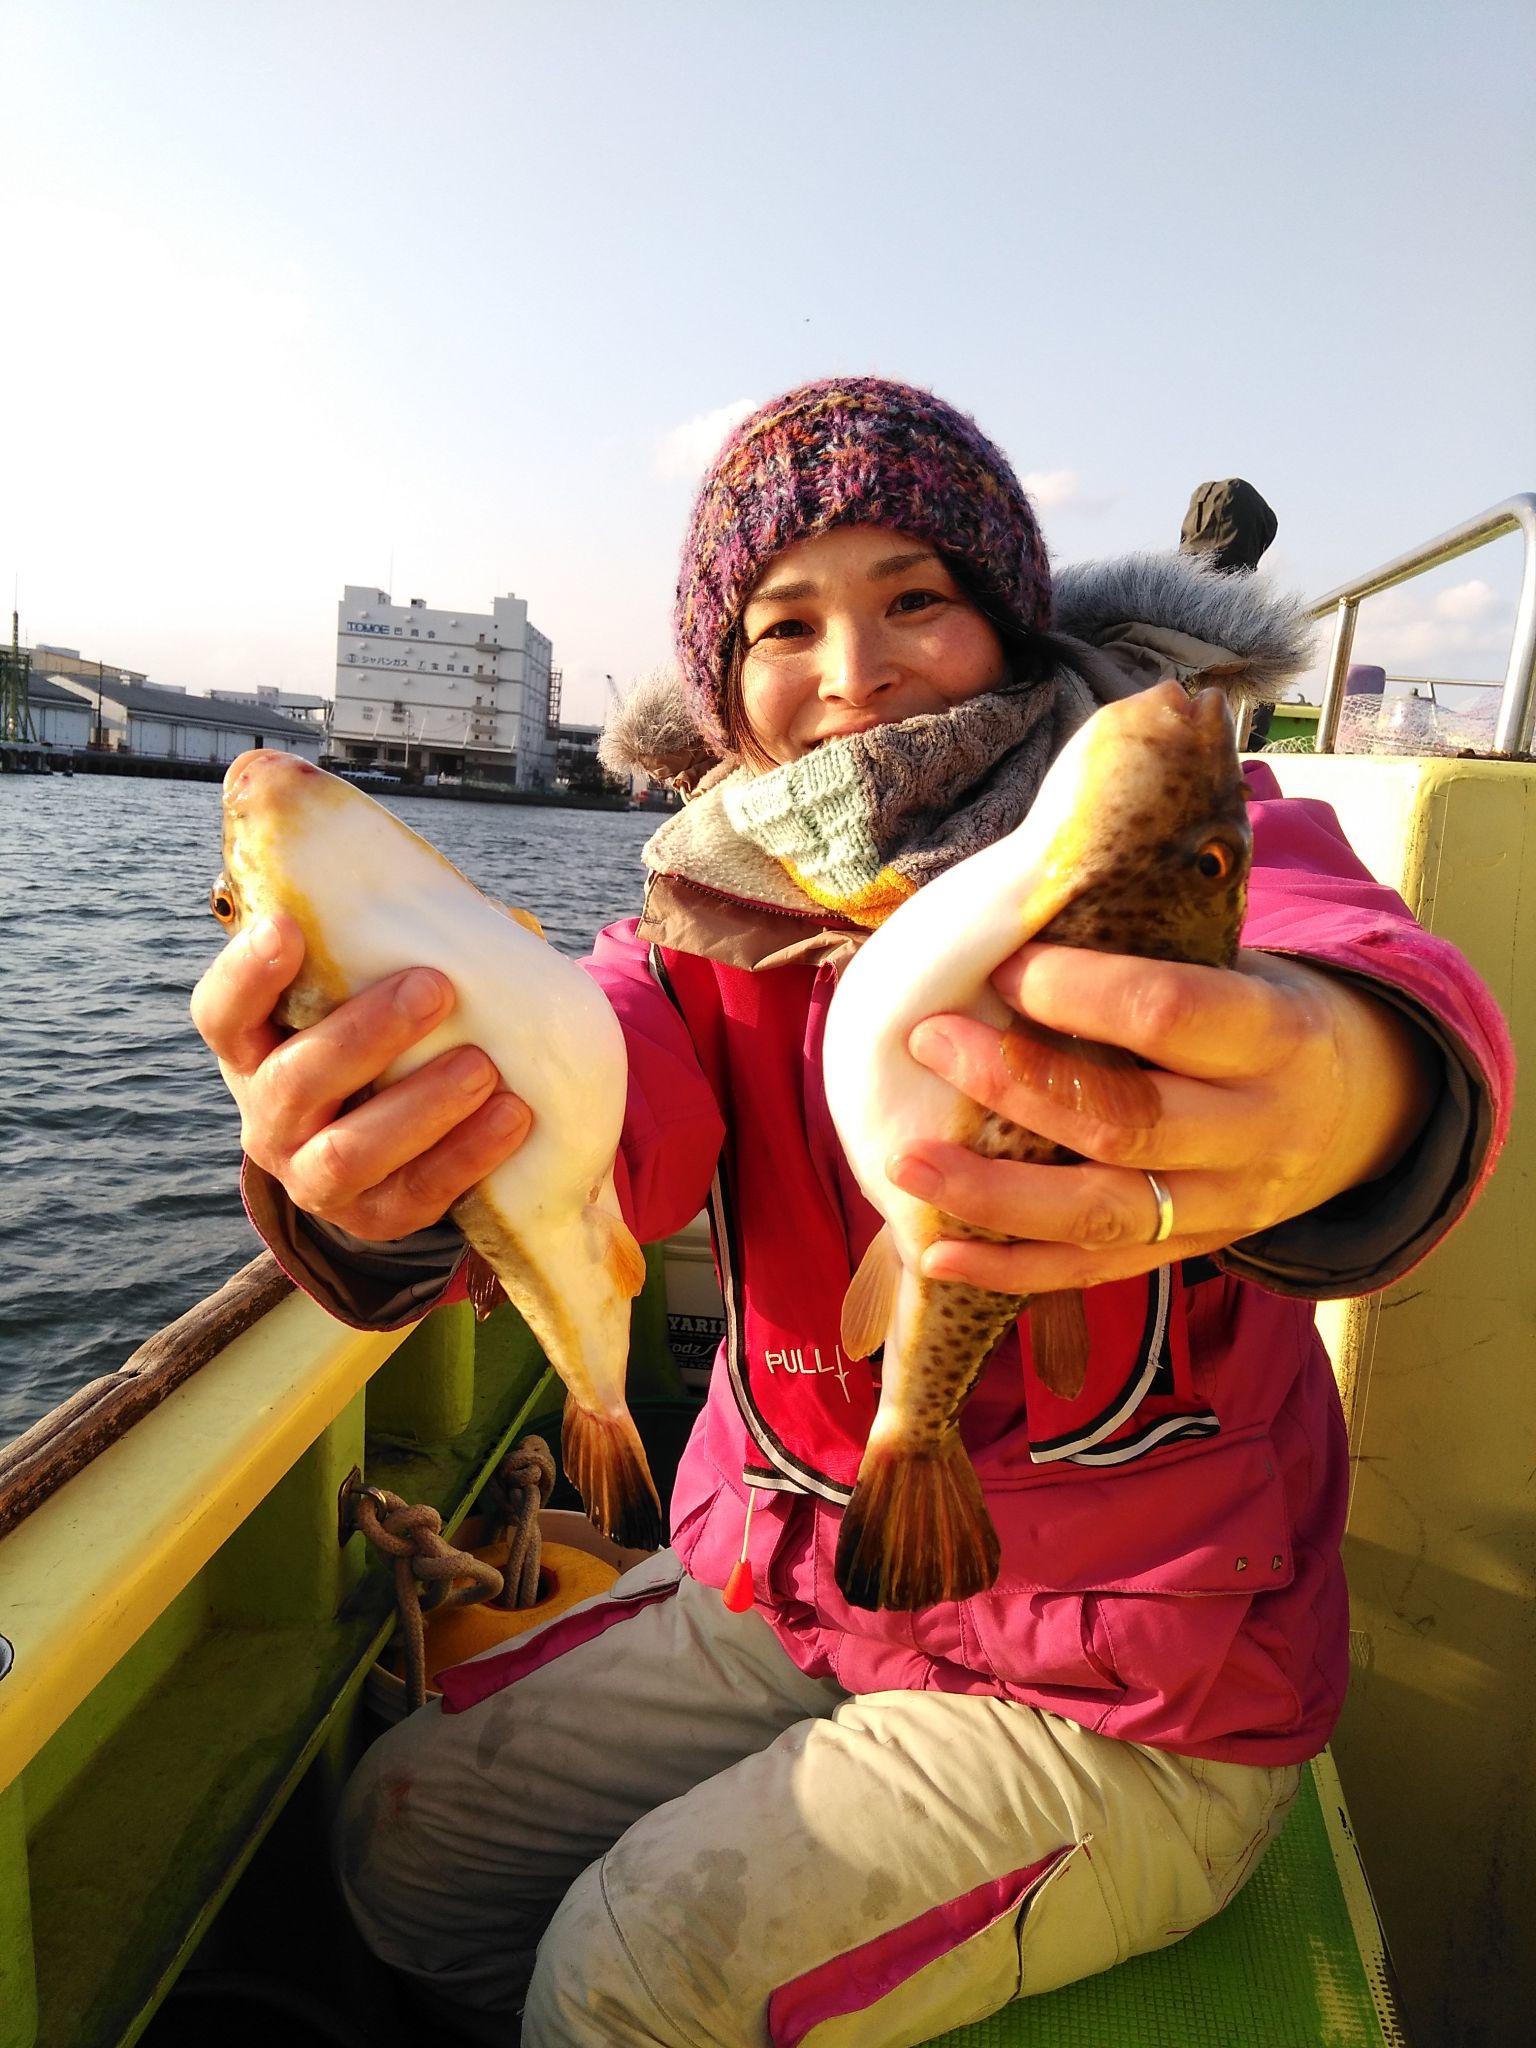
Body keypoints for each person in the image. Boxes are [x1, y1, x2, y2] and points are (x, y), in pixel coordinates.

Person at [192, 378, 1512, 2047]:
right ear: (720, 682)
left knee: (626, 1975)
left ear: (1015, 628)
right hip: (801, 1597)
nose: (855, 666)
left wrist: (1350, 1087)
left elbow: (1356, 970)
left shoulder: (1189, 839)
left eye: (918, 601)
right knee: (400, 1839)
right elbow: (595, 1116)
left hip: (1133, 1693)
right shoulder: (696, 925)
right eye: (783, 621)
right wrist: (391, 1172)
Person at [1180, 478, 1281, 744]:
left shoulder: (1141, 592)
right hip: (1214, 758)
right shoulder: (1255, 623)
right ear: (1256, 537)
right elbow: (1254, 732)